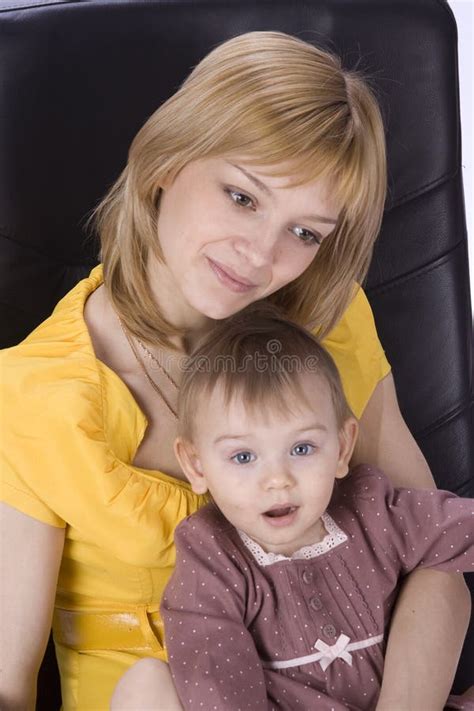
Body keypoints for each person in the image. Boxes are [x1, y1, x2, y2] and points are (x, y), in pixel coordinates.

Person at [0, 30, 470, 711]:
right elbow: (9, 682)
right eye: (243, 197)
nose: (260, 254)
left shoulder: (327, 326)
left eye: (304, 231)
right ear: (168, 162)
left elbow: (432, 555)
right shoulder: (34, 394)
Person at [110, 304, 474, 711]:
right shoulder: (211, 558)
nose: (277, 480)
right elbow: (216, 681)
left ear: (342, 447)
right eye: (244, 457)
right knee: (143, 684)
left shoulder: (371, 508)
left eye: (302, 449)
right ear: (196, 465)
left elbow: (458, 528)